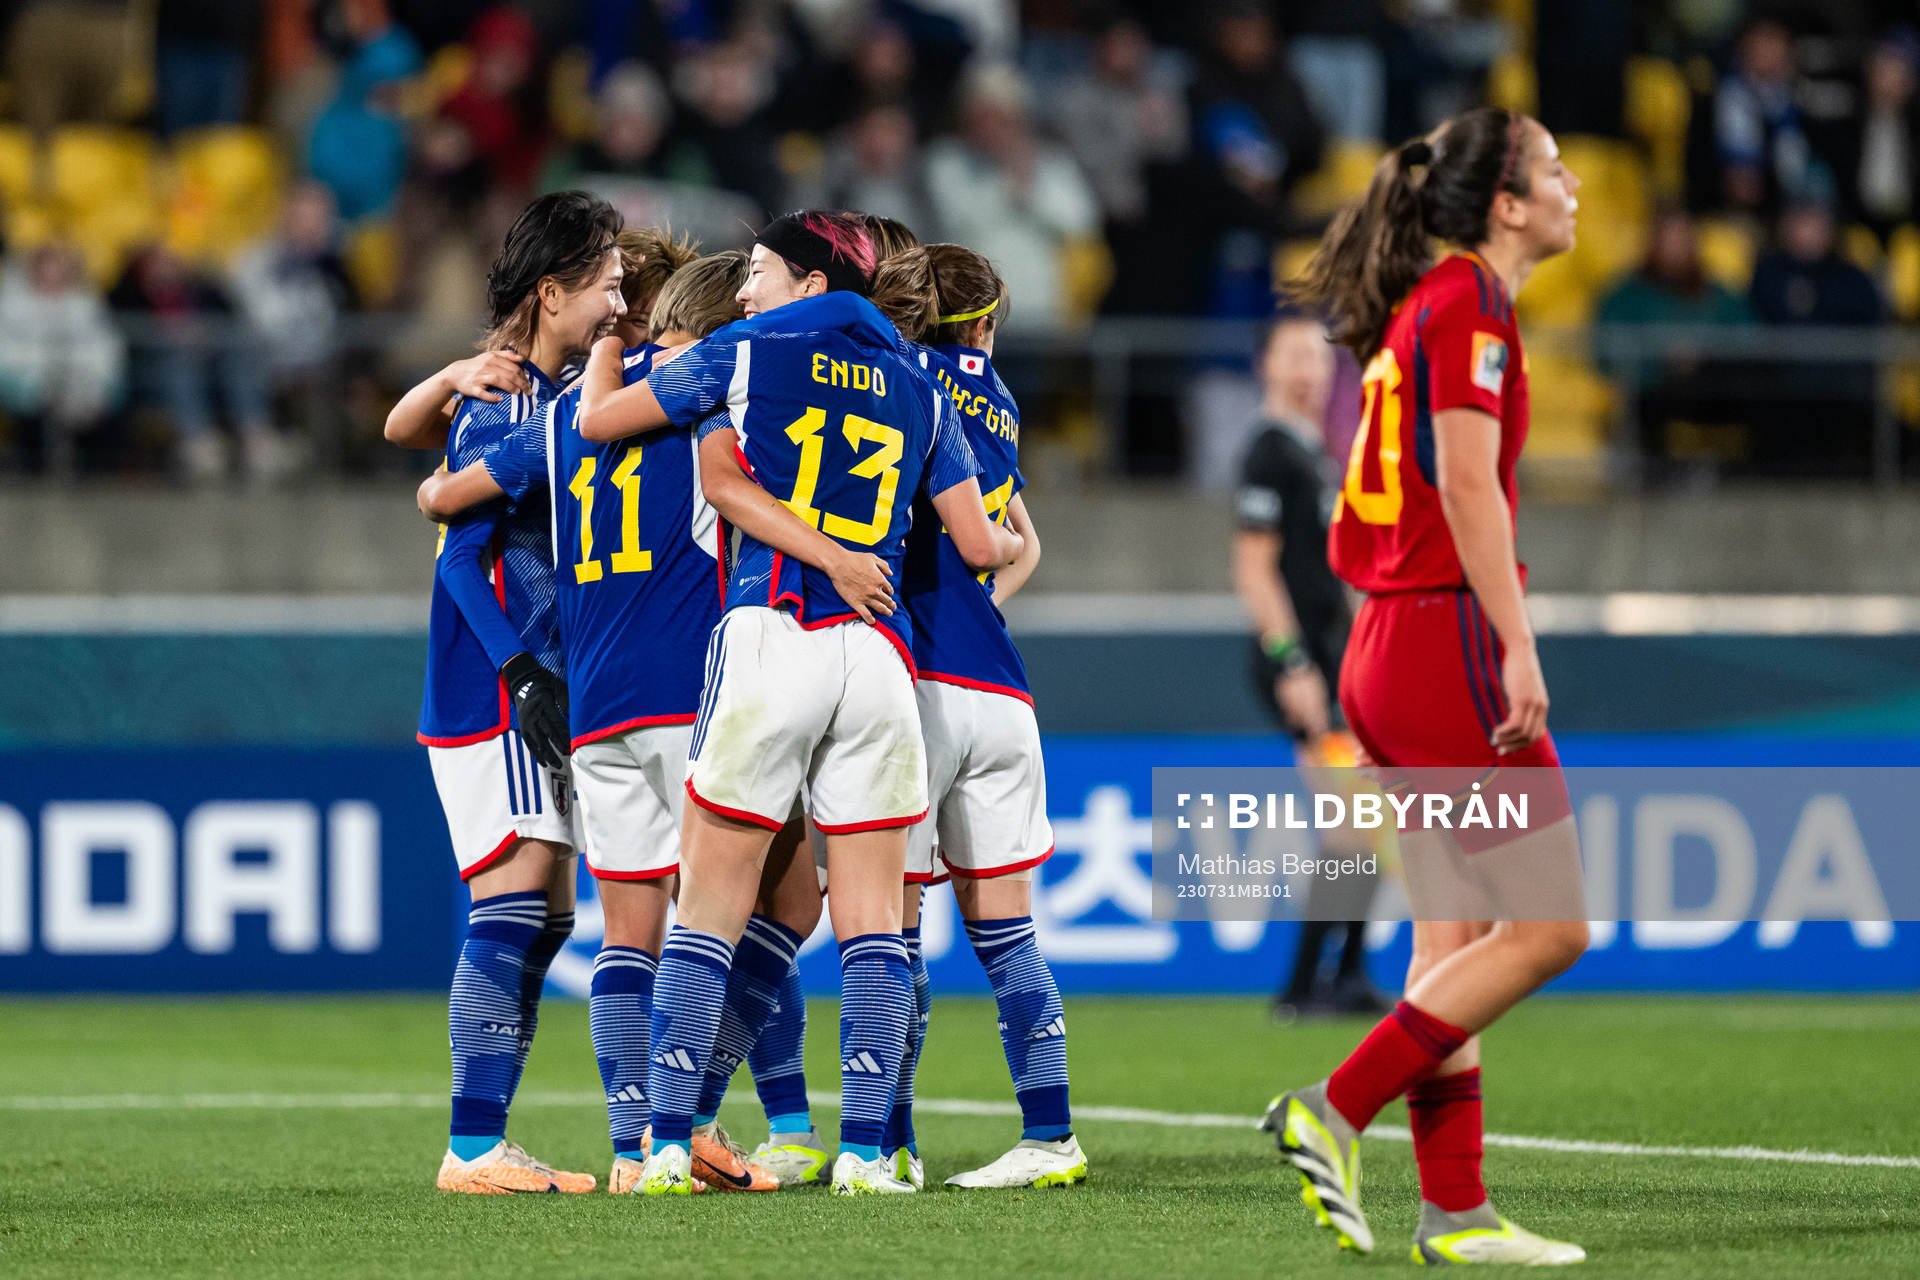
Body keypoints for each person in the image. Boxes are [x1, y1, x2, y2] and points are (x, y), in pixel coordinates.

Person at [575, 211, 1021, 1196]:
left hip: (776, 629)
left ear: (813, 284)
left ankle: (659, 1147)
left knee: (707, 912)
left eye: (762, 270)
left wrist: (609, 342)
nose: (742, 290)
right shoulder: (919, 378)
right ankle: (868, 1151)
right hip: (879, 655)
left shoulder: (751, 347)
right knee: (870, 922)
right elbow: (983, 540)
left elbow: (603, 424)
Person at [1270, 107, 1590, 1265]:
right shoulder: (1471, 305)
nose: (1572, 188)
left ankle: (1455, 1207)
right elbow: (1466, 484)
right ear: (1505, 205)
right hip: (1445, 632)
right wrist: (1518, 640)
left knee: (1448, 934)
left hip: (1387, 642)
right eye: (1554, 171)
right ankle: (1332, 1107)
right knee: (1552, 926)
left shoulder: (1420, 309)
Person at [417, 248, 783, 1195]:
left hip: (596, 704)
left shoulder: (564, 415)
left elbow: (441, 500)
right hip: (671, 690)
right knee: (751, 911)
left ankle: (638, 1153)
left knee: (612, 932)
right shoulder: (707, 398)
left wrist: (440, 405)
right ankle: (676, 1124)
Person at [412, 190, 624, 1196]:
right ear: (553, 291)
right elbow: (461, 556)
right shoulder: (503, 399)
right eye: (609, 282)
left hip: (533, 681)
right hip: (496, 683)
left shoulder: (548, 390)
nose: (621, 300)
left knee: (544, 912)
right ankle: (470, 1146)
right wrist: (522, 669)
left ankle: (485, 1135)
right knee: (514, 894)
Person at [889, 242, 1086, 1191]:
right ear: (985, 320)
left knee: (892, 924)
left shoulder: (891, 377)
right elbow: (1024, 545)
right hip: (1000, 689)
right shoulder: (997, 400)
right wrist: (983, 604)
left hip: (915, 681)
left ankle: (888, 1141)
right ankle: (1050, 1135)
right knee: (1008, 934)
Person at [1231, 313, 1382, 1019]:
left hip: (1332, 659)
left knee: (1359, 821)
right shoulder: (1269, 453)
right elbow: (1255, 568)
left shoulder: (1313, 452)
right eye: (1293, 354)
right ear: (1266, 364)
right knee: (1351, 821)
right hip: (1302, 663)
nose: (1309, 370)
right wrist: (1293, 662)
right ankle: (1308, 988)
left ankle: (1338, 977)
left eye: (1318, 358)